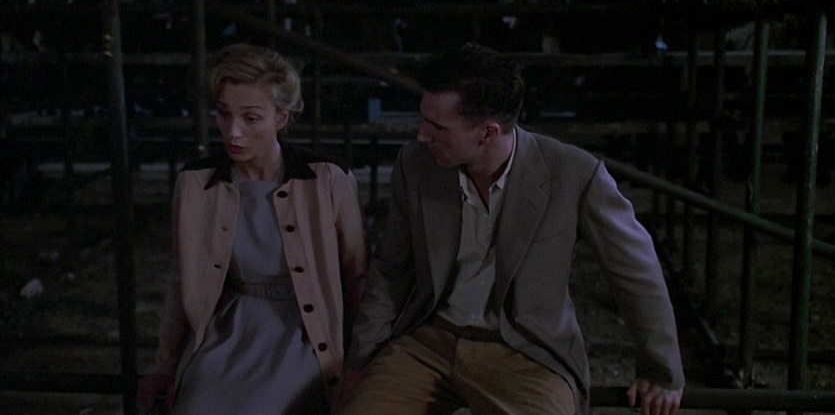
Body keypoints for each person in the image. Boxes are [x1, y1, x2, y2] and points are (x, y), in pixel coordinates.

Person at [341, 42, 684, 415]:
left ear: (487, 133)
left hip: (527, 352)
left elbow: (634, 271)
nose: (422, 135)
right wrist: (361, 359)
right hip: (428, 342)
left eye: (437, 127)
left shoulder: (573, 173)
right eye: (424, 120)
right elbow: (391, 270)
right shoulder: (416, 165)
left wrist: (662, 372)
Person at [138, 43, 367, 414]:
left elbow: (358, 276)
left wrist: (361, 359)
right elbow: (183, 282)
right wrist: (163, 364)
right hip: (230, 328)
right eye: (224, 114)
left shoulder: (327, 179)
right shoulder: (196, 184)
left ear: (282, 118)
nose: (234, 132)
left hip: (306, 330)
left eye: (251, 118)